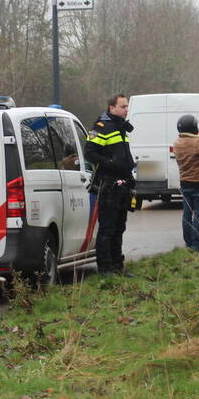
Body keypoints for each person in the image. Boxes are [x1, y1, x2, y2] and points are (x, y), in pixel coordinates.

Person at [84, 93, 135, 275]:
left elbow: (124, 156)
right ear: (112, 108)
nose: (126, 109)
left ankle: (117, 266)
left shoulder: (122, 127)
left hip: (123, 184)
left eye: (127, 106)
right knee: (107, 228)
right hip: (109, 185)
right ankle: (105, 268)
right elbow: (89, 153)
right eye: (123, 107)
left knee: (119, 227)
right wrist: (110, 164)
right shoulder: (102, 127)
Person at [172, 114, 199, 253]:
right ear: (193, 127)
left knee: (186, 214)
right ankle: (196, 245)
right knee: (198, 214)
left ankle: (188, 242)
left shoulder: (177, 143)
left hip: (185, 183)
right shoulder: (197, 142)